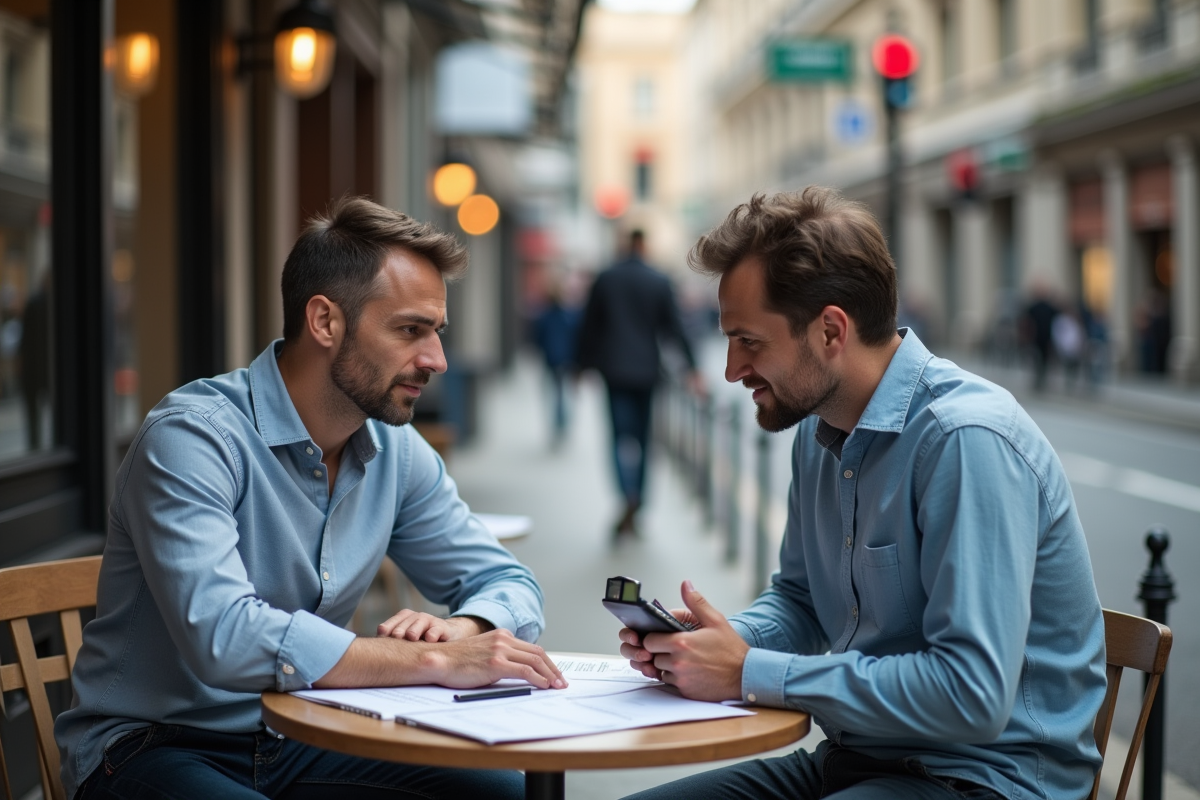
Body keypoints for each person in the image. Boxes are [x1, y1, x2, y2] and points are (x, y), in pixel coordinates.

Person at [56, 196, 566, 800]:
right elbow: (224, 637)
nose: (436, 360)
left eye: (436, 332)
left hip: (298, 732)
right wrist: (432, 663)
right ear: (325, 321)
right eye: (410, 330)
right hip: (152, 744)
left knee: (503, 794)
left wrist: (467, 629)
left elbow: (507, 580)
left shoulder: (395, 452)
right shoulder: (194, 437)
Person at [618, 188, 1106, 800]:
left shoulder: (965, 439)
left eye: (749, 341)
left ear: (830, 331)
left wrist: (748, 672)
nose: (730, 369)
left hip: (986, 779)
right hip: (859, 762)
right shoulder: (818, 430)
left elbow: (972, 693)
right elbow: (799, 602)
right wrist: (717, 644)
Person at [576, 229, 703, 536]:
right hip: (647, 372)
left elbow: (589, 325)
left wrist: (579, 365)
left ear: (624, 244)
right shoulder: (658, 280)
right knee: (645, 441)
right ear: (644, 246)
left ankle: (626, 494)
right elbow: (674, 328)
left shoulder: (606, 278)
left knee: (619, 438)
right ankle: (639, 500)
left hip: (614, 371)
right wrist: (692, 369)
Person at [533, 282, 580, 448]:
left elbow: (538, 338)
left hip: (553, 360)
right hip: (564, 360)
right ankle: (561, 423)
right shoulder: (569, 316)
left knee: (557, 393)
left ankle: (559, 423)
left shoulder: (545, 316)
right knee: (561, 394)